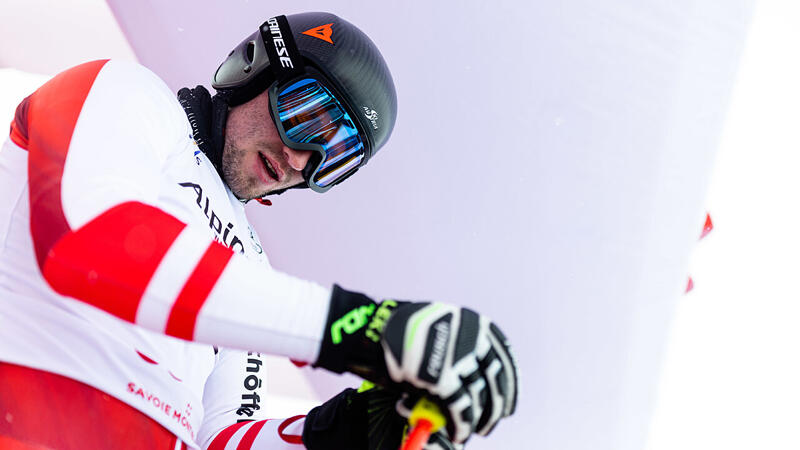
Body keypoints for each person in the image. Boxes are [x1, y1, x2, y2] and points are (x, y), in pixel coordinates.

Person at [0, 11, 518, 450]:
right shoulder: (131, 95)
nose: (299, 158)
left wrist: (338, 432)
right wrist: (360, 327)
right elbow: (91, 242)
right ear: (255, 67)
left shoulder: (248, 265)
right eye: (305, 115)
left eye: (333, 156)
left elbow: (221, 435)